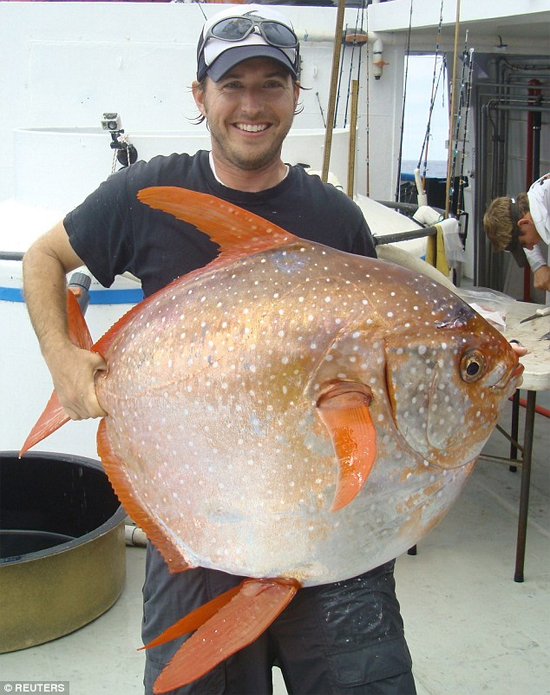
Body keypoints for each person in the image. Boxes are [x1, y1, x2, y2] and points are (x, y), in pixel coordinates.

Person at [22, 6, 419, 694]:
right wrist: (64, 359)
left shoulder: (336, 220)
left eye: (271, 84)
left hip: (322, 528)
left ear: (298, 95)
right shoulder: (144, 194)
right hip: (198, 522)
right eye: (232, 85)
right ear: (200, 95)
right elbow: (43, 257)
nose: (251, 105)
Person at [483, 172, 550, 292]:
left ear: (524, 223)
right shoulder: (537, 194)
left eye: (524, 243)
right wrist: (538, 265)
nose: (530, 248)